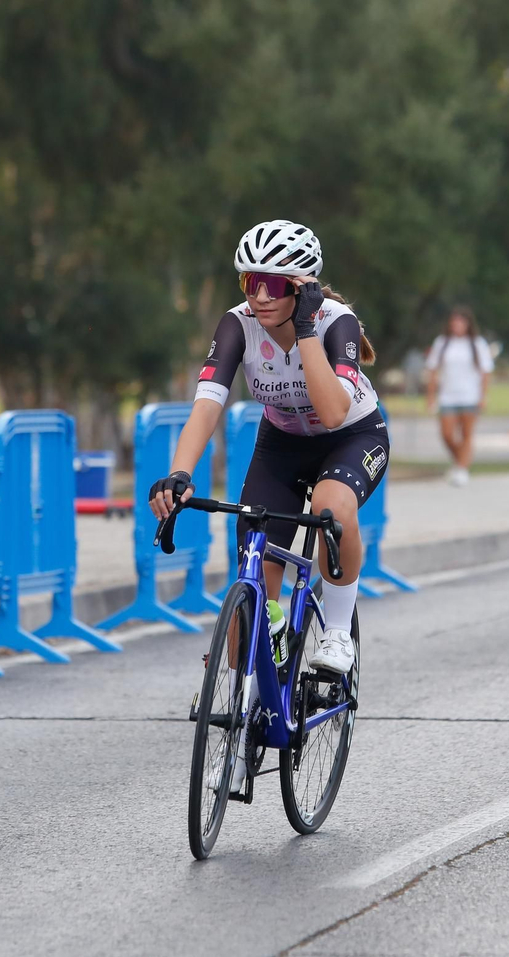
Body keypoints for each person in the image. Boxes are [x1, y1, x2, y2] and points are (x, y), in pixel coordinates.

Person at [147, 220, 385, 787]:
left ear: (302, 287)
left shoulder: (334, 323)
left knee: (332, 511)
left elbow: (331, 413)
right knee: (254, 569)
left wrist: (305, 330)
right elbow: (208, 403)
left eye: (274, 285)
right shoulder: (237, 325)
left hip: (349, 438)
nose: (257, 294)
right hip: (280, 446)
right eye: (250, 280)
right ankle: (251, 691)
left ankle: (335, 629)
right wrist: (180, 473)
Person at [424, 307, 495, 486]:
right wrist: (431, 396)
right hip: (448, 396)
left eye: (460, 322)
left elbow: (486, 372)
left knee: (466, 435)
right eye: (454, 322)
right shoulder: (442, 343)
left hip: (469, 396)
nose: (457, 326)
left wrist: (483, 396)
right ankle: (461, 462)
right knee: (447, 434)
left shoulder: (477, 344)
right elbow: (432, 370)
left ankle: (462, 469)